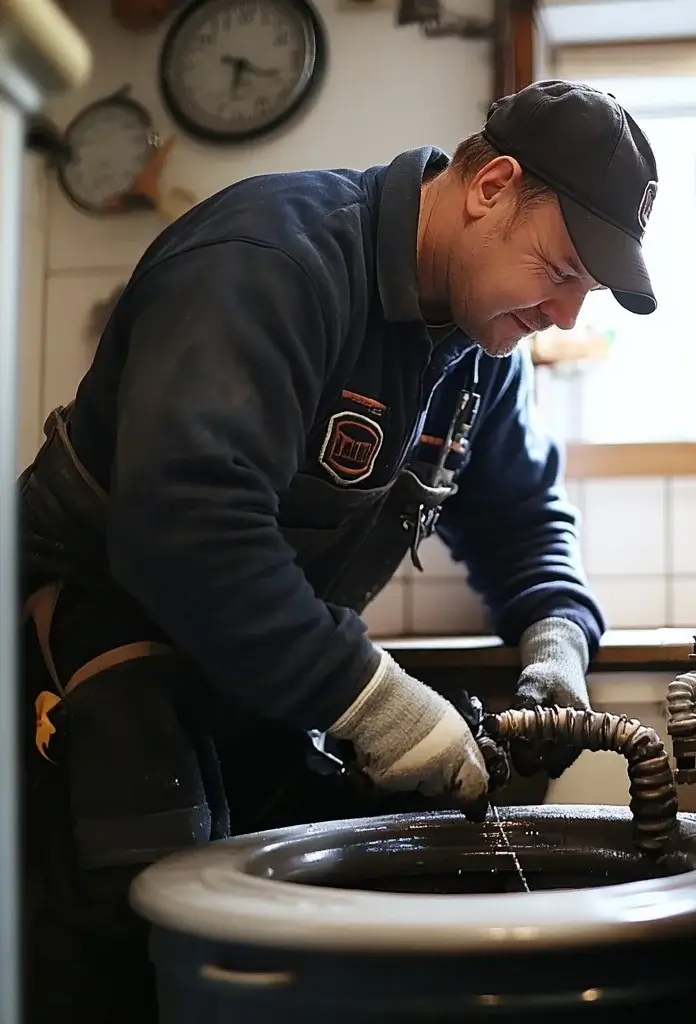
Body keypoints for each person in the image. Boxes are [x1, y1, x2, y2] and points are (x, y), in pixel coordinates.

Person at [18, 79, 659, 1022]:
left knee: (296, 908)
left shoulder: (480, 350)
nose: (566, 315)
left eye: (587, 291)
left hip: (245, 671)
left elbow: (525, 525)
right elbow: (190, 533)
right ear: (492, 188)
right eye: (561, 268)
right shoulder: (274, 260)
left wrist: (557, 641)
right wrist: (383, 706)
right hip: (81, 637)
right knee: (138, 923)